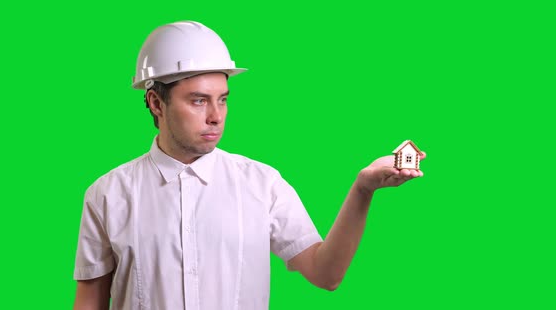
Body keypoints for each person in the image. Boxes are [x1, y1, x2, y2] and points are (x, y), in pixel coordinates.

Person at [72, 20, 425, 310]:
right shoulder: (107, 194)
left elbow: (325, 274)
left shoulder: (262, 184)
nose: (216, 117)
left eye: (222, 100)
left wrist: (362, 190)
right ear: (156, 103)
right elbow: (89, 301)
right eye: (198, 101)